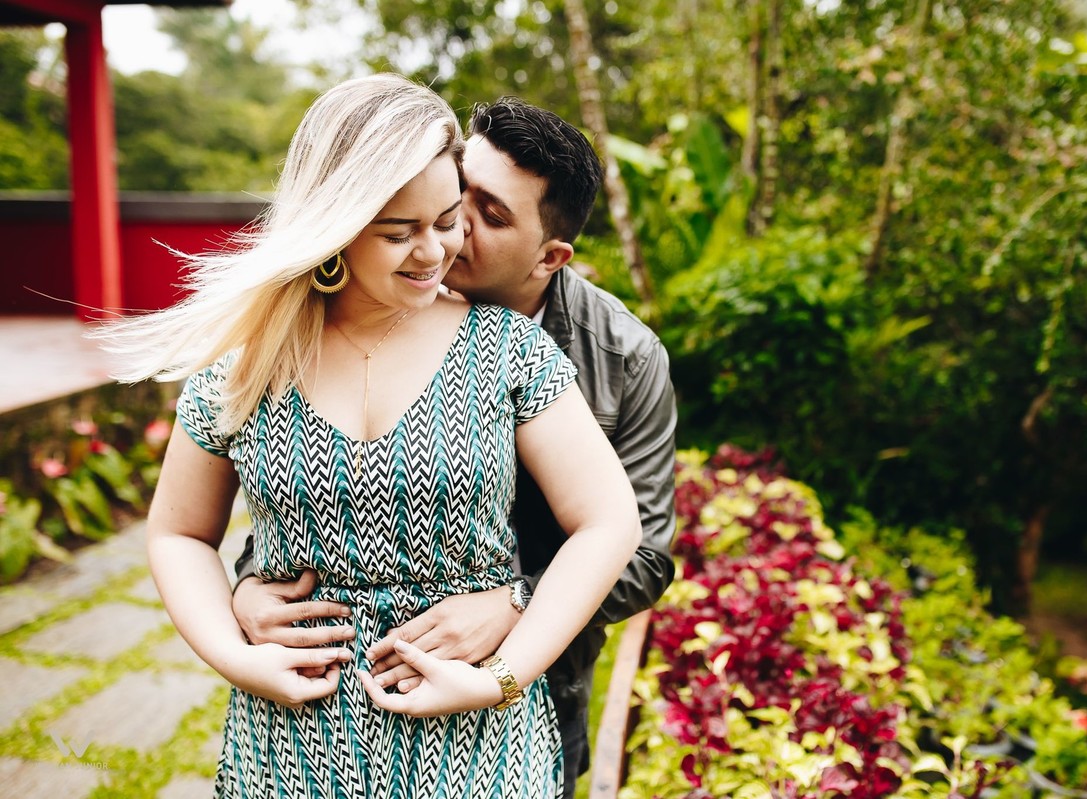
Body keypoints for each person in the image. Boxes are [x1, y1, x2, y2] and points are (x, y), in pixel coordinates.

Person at [95, 74, 640, 798]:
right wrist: (236, 656)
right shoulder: (248, 365)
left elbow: (609, 522)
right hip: (290, 743)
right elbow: (177, 533)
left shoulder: (509, 350)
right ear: (335, 223)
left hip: (476, 740)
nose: (433, 251)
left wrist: (502, 679)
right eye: (397, 232)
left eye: (447, 220)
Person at [231, 97, 679, 795]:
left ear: (550, 256)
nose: (450, 224)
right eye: (456, 187)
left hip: (528, 689)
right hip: (327, 704)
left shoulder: (622, 358)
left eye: (490, 215)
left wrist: (515, 604)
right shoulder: (341, 314)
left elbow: (641, 549)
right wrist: (249, 587)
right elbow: (314, 478)